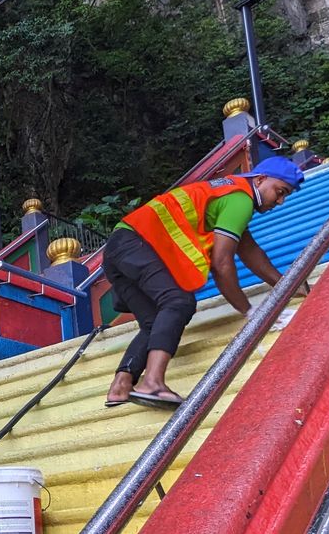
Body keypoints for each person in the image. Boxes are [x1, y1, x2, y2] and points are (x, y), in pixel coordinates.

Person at [102, 156, 306, 409]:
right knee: (178, 302)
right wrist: (250, 311)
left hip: (118, 247)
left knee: (154, 321)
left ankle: (121, 386)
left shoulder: (229, 193)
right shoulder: (240, 199)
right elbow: (221, 264)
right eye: (280, 191)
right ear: (260, 179)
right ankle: (152, 383)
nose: (280, 201)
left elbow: (250, 252)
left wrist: (290, 285)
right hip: (137, 241)